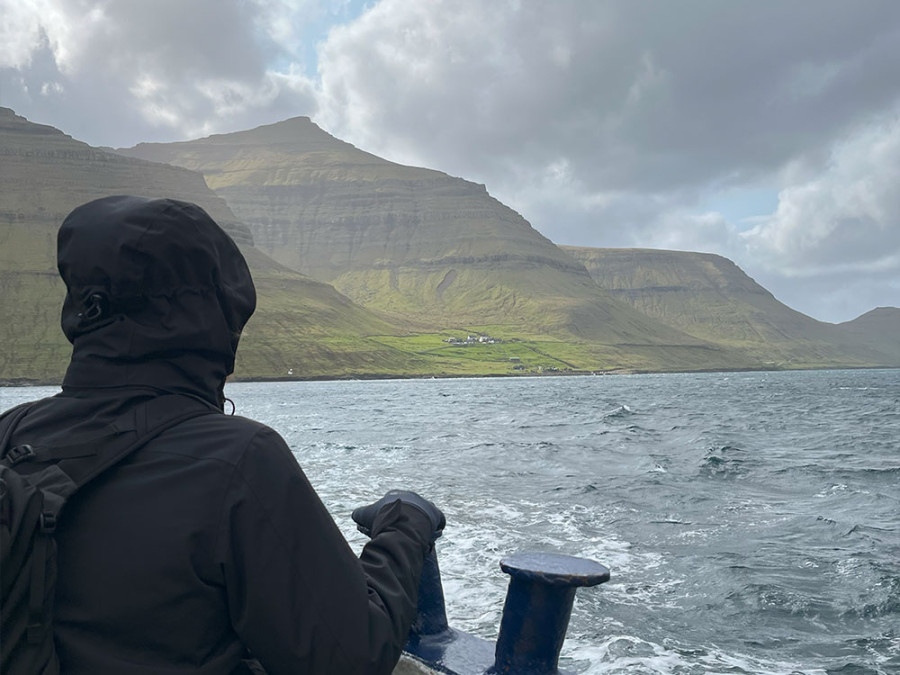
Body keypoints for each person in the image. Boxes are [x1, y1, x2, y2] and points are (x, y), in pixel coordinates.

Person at [4, 195, 444, 675]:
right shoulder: (240, 459)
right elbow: (350, 657)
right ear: (218, 313)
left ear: (83, 306)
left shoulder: (11, 433)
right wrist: (405, 524)